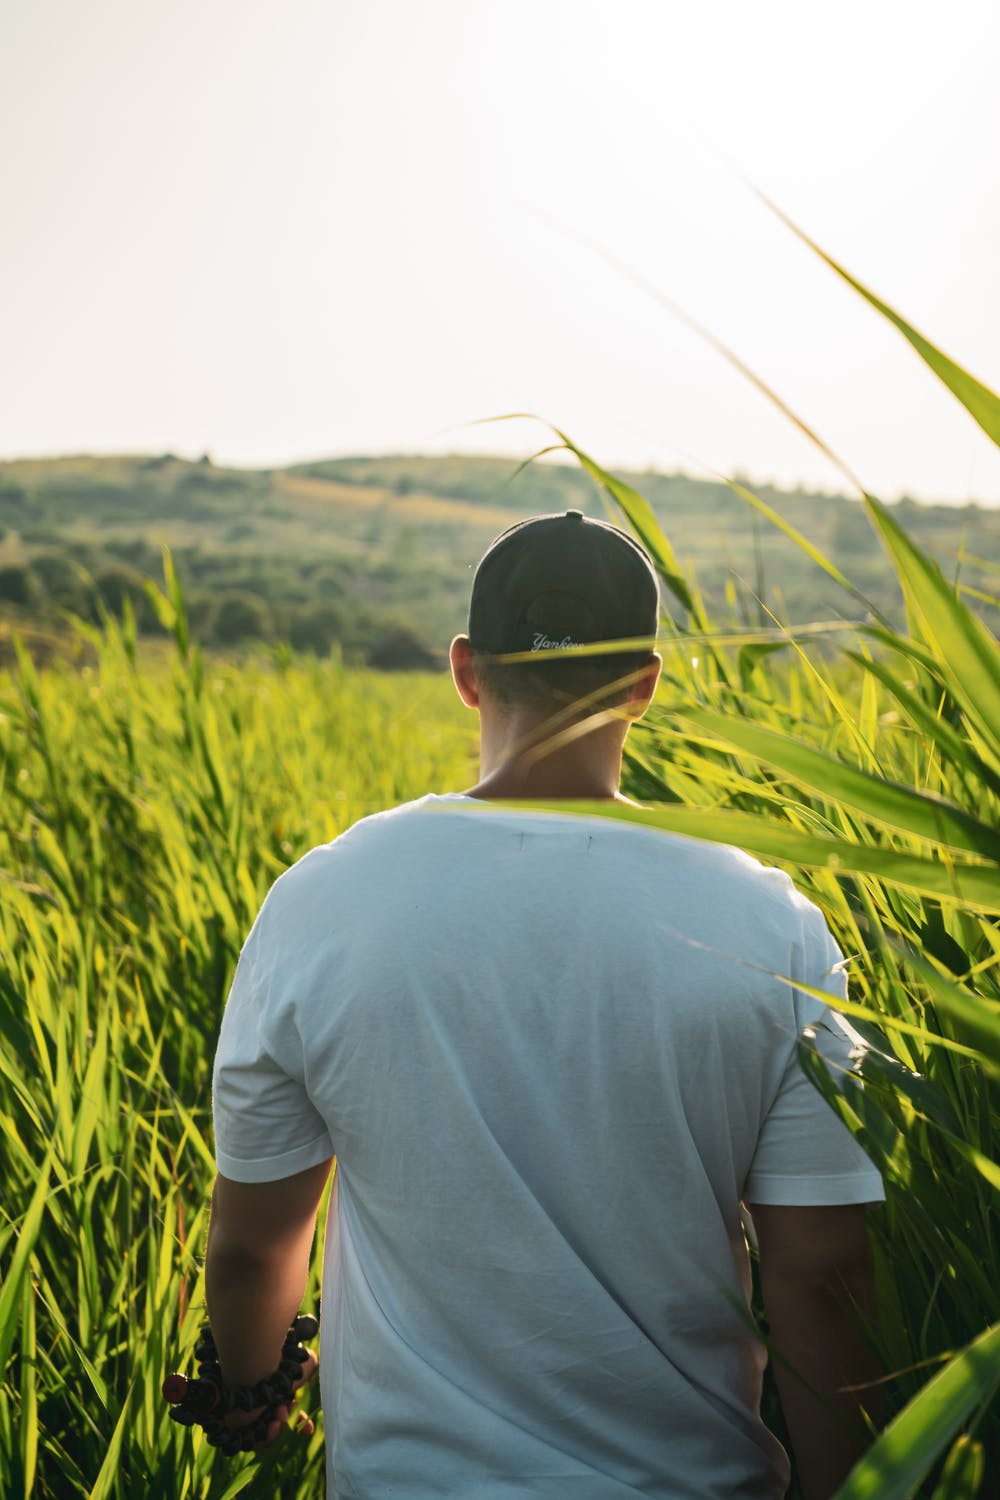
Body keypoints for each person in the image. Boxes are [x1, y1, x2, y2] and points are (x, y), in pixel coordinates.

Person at [204, 510, 884, 1499]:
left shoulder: (324, 899)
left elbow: (255, 1239)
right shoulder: (770, 924)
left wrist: (249, 1387)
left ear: (466, 671)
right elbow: (823, 1272)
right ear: (645, 686)